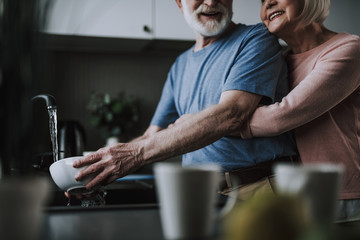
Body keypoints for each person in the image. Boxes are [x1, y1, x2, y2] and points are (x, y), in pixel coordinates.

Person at [73, 0, 297, 200]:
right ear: (180, 3)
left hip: (257, 189)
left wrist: (136, 155)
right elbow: (151, 135)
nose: (211, 2)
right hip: (200, 193)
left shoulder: (256, 38)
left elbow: (232, 114)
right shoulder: (180, 65)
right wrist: (96, 171)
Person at [239, 0, 360, 220]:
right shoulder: (281, 62)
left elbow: (280, 116)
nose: (269, 3)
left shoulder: (349, 48)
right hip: (297, 194)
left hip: (344, 196)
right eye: (263, 1)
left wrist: (222, 123)